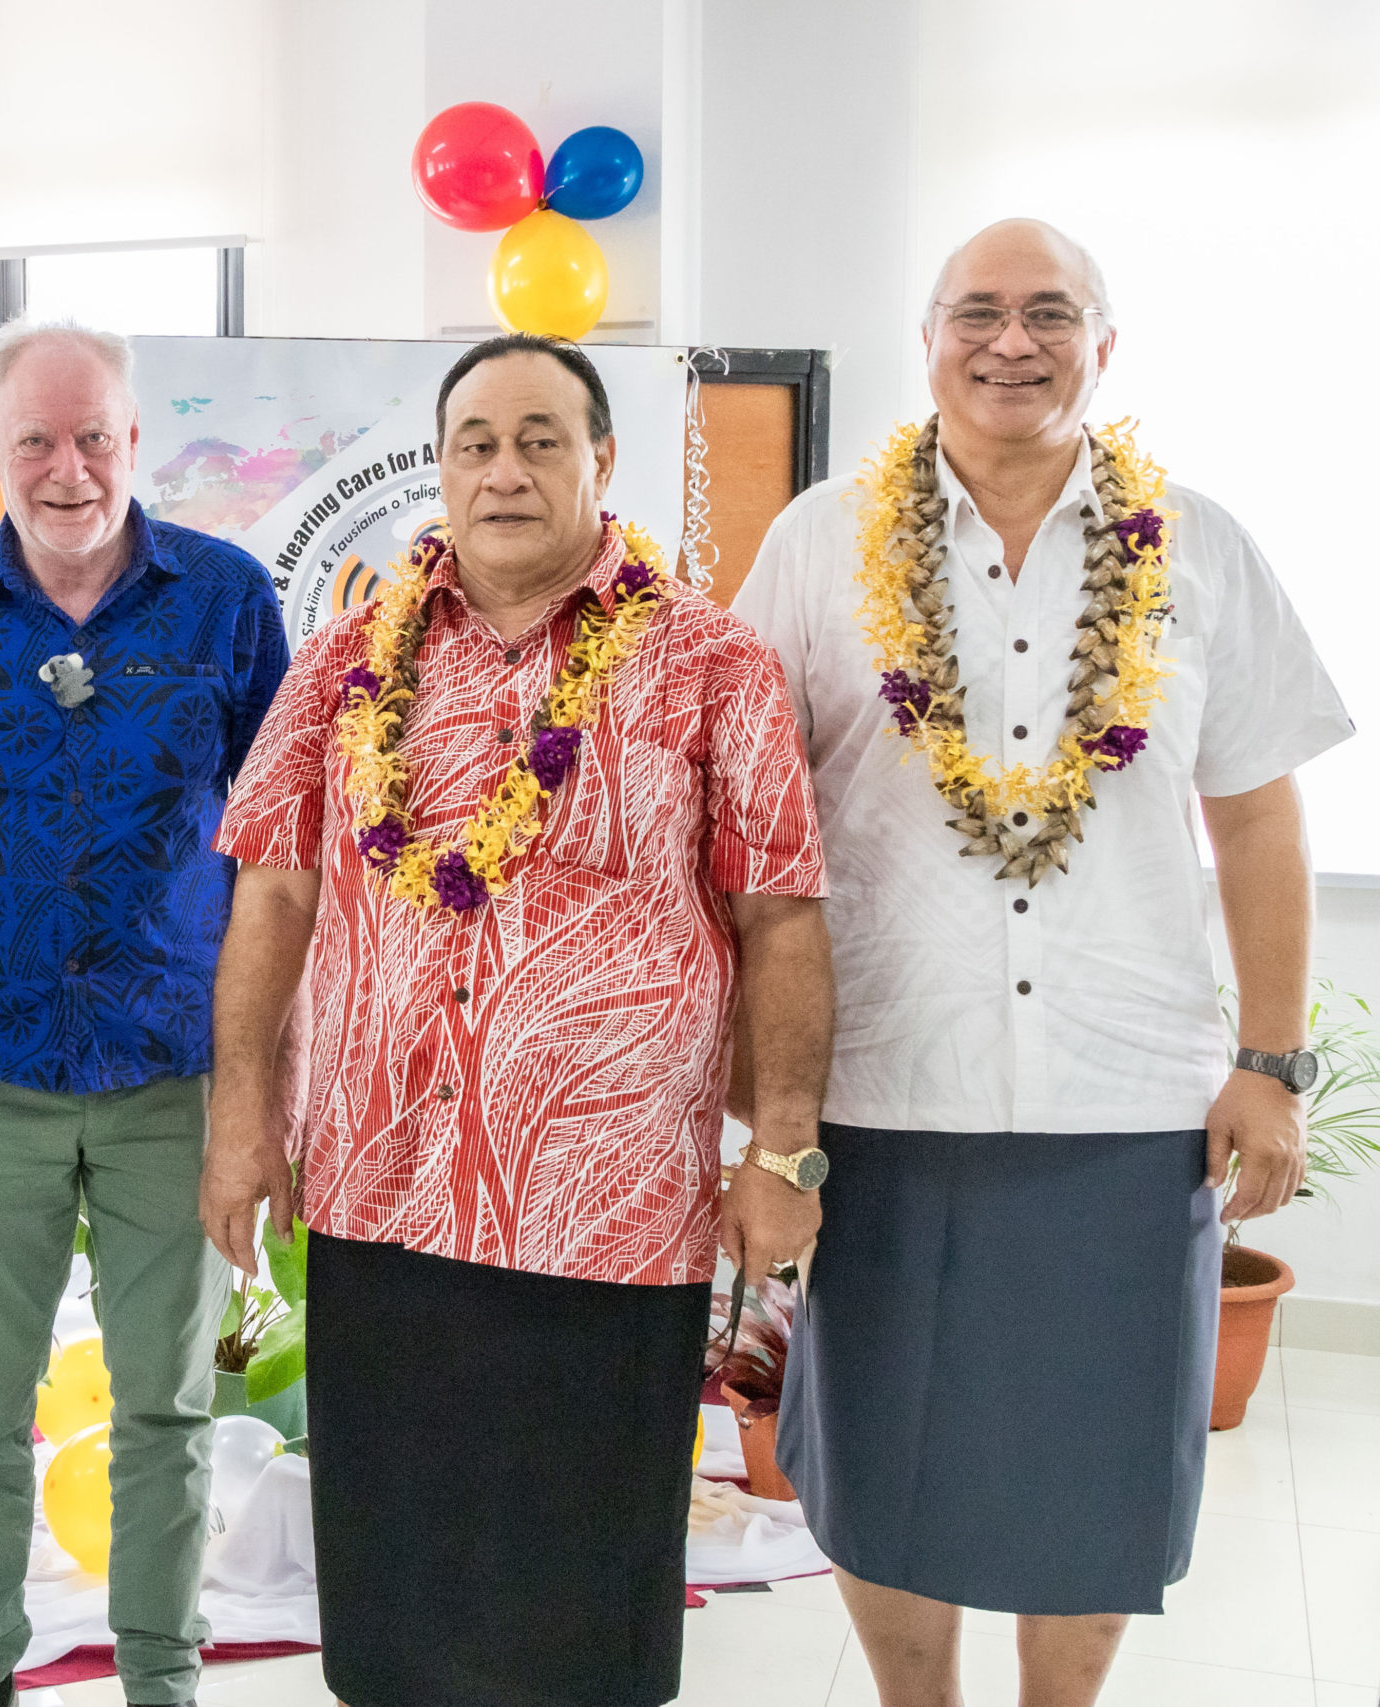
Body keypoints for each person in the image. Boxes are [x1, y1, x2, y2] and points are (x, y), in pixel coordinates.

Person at [730, 218, 1353, 1707]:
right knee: (885, 1453)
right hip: (885, 1095)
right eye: (980, 314)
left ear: (1105, 346)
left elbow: (1260, 816)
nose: (1014, 343)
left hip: (1126, 1110)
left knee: (1103, 1467)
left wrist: (1268, 1068)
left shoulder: (1199, 544)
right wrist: (765, 1110)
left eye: (1051, 314)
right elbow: (751, 829)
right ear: (928, 339)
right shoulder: (820, 542)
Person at [204, 332, 834, 1707]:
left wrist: (783, 1150)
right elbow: (271, 899)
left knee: (578, 1600)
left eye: (541, 438)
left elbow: (784, 917)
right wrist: (240, 1116)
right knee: (397, 1587)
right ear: (439, 467)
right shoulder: (341, 665)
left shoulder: (711, 664)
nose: (506, 470)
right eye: (476, 442)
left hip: (610, 1211)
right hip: (381, 1191)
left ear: (602, 460)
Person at [0, 317, 290, 1707]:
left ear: (136, 441)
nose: (67, 466)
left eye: (93, 434)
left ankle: (162, 1684)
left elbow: (283, 853)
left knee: (166, 1411)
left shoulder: (225, 598)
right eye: (34, 438)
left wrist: (259, 1084)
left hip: (176, 1077)